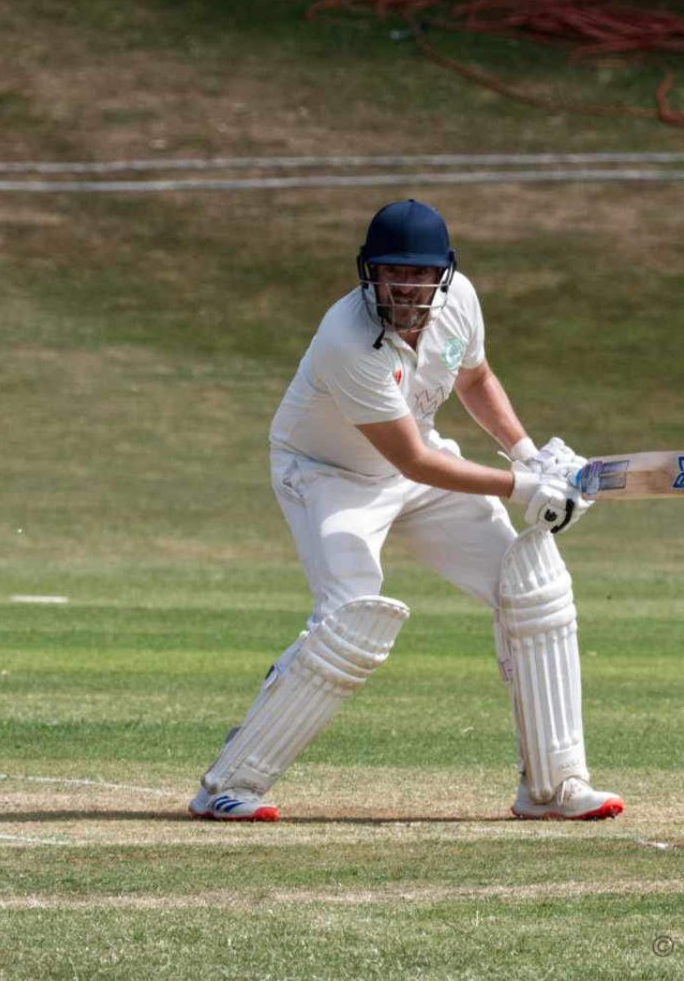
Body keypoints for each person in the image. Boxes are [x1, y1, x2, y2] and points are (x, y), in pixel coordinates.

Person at [188, 199, 623, 823]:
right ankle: (229, 784)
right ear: (370, 272)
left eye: (420, 273)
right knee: (352, 619)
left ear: (443, 273)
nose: (406, 286)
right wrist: (524, 488)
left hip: (416, 466)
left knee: (534, 584)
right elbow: (415, 460)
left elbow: (475, 379)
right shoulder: (346, 339)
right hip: (327, 477)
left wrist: (528, 455)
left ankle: (553, 786)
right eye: (393, 271)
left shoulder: (460, 301)